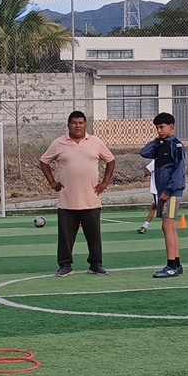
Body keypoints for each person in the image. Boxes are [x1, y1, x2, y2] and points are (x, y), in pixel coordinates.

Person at [38, 110, 116, 276]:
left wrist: (105, 183)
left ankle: (95, 264)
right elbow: (44, 162)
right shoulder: (58, 143)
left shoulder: (96, 142)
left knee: (94, 236)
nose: (77, 126)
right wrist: (52, 182)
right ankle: (65, 265)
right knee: (65, 237)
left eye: (81, 123)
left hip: (91, 199)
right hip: (68, 200)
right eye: (74, 123)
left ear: (86, 125)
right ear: (68, 125)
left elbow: (110, 160)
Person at [140, 112, 186, 278]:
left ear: (171, 127)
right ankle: (177, 264)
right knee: (170, 226)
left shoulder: (176, 146)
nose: (159, 130)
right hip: (163, 192)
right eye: (157, 128)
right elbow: (144, 152)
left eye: (162, 127)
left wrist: (167, 191)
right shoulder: (160, 145)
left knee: (167, 225)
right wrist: (157, 140)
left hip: (171, 192)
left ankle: (171, 265)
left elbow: (179, 171)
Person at [137, 158, 158, 234]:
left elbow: (147, 172)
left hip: (157, 189)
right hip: (163, 189)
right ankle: (145, 226)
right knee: (154, 206)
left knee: (162, 209)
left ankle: (169, 227)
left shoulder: (156, 161)